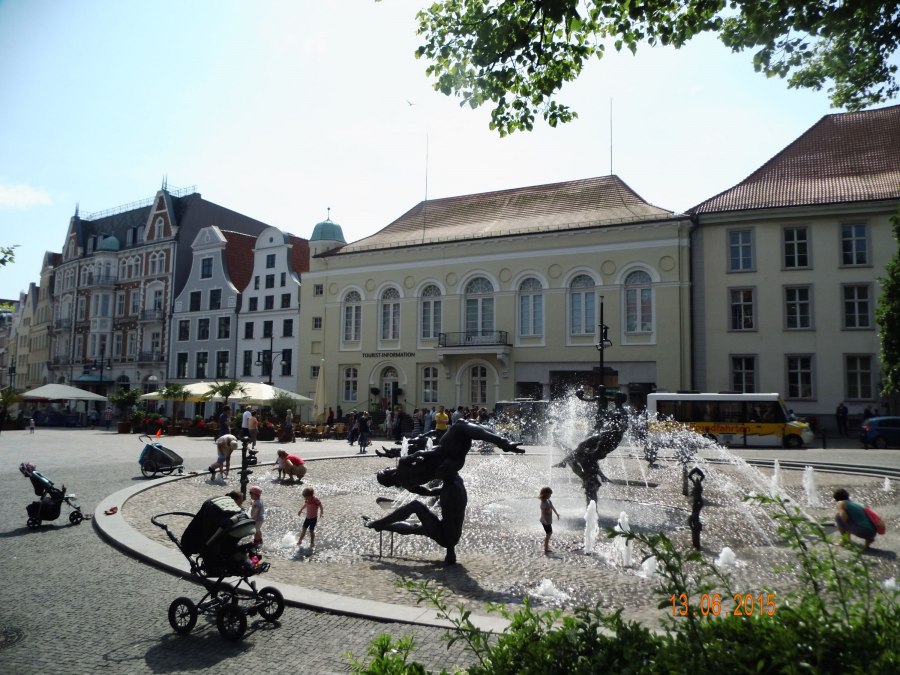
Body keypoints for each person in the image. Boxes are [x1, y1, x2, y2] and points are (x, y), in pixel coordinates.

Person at [539, 487, 560, 554]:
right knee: (549, 533)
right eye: (549, 495)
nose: (550, 496)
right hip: (544, 520)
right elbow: (542, 513)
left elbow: (552, 507)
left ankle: (546, 545)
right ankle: (546, 548)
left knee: (549, 533)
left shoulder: (548, 501)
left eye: (550, 495)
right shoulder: (543, 503)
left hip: (548, 520)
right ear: (545, 494)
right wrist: (544, 521)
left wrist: (557, 514)